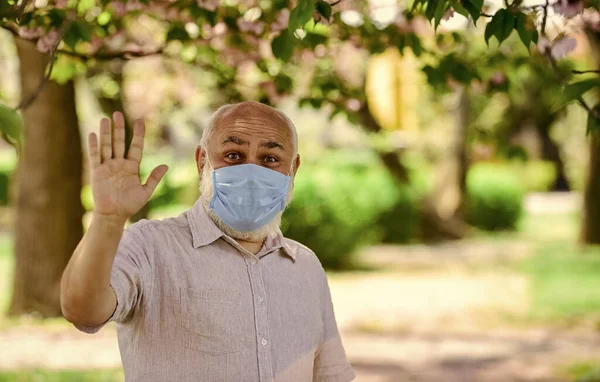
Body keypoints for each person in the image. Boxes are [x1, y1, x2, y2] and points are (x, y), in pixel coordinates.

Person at [60, 102, 356, 382]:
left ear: (293, 169)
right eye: (233, 156)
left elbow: (330, 375)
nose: (251, 172)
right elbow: (82, 310)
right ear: (202, 161)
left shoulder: (305, 265)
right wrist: (108, 220)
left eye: (270, 159)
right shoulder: (150, 246)